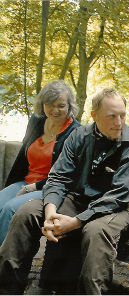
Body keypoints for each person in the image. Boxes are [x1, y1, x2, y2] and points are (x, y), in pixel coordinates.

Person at [0, 88, 129, 294]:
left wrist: (75, 221)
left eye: (122, 115)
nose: (119, 122)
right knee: (27, 213)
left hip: (122, 205)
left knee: (95, 231)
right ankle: (8, 288)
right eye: (112, 116)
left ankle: (92, 291)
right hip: (80, 196)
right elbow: (59, 176)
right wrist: (51, 212)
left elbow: (119, 196)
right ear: (94, 115)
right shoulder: (80, 136)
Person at [0, 80, 80, 244]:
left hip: (51, 187)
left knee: (10, 210)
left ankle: (4, 260)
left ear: (70, 106)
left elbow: (69, 174)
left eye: (61, 105)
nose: (55, 110)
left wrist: (34, 187)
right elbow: (22, 158)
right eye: (49, 104)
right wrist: (16, 185)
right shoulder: (36, 121)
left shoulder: (76, 132)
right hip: (26, 182)